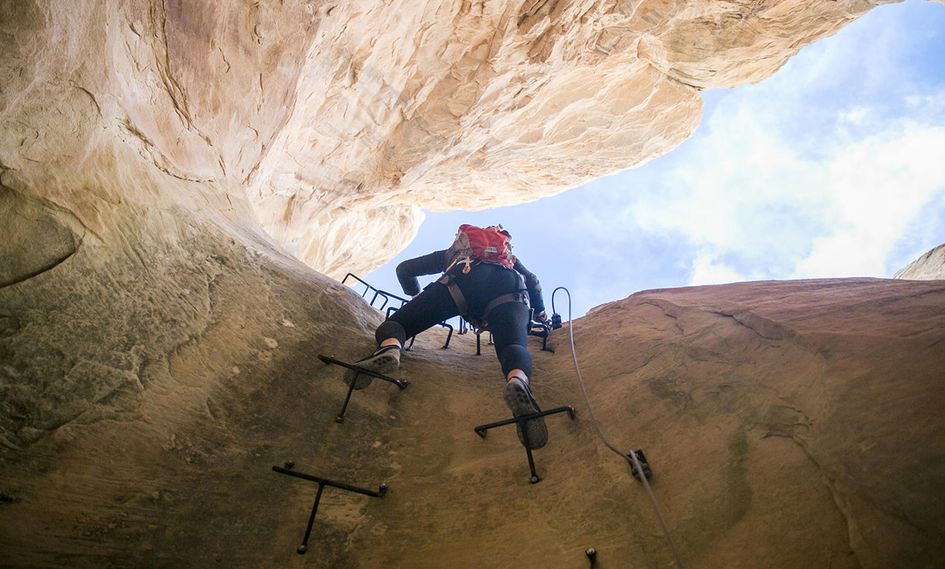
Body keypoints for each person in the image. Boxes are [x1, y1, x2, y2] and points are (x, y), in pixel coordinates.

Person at [345, 225, 550, 448]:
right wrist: (540, 314)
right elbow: (533, 280)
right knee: (513, 345)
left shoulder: (451, 254)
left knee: (396, 324)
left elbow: (404, 269)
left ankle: (391, 348)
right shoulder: (509, 260)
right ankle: (517, 381)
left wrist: (418, 297)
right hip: (509, 289)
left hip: (461, 280)